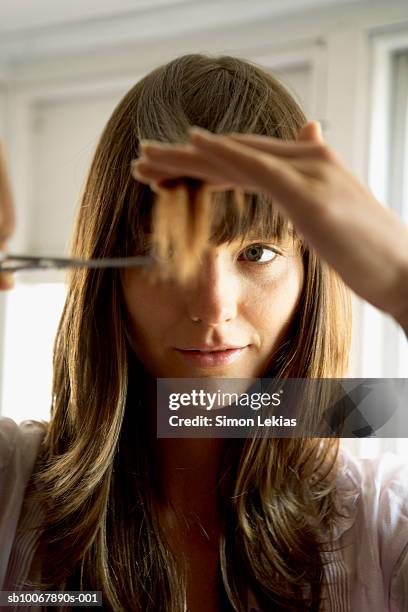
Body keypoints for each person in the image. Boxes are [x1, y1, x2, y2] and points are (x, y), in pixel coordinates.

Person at [0, 53, 407, 612]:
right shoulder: (9, 489)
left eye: (257, 252)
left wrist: (402, 283)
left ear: (311, 273)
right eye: (167, 255)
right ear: (105, 280)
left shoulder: (386, 522)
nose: (214, 307)